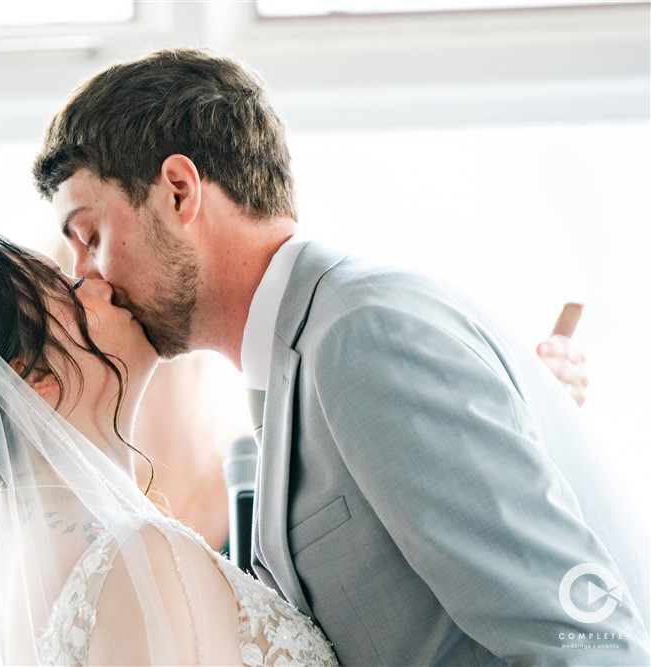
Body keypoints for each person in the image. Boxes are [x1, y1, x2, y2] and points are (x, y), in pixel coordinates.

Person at [33, 48, 649, 665]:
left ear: (178, 191)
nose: (89, 279)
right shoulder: (303, 356)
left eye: (90, 237)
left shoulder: (366, 337)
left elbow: (582, 643)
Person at [0, 234, 340, 665]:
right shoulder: (139, 553)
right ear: (34, 375)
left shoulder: (10, 565)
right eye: (70, 291)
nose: (98, 284)